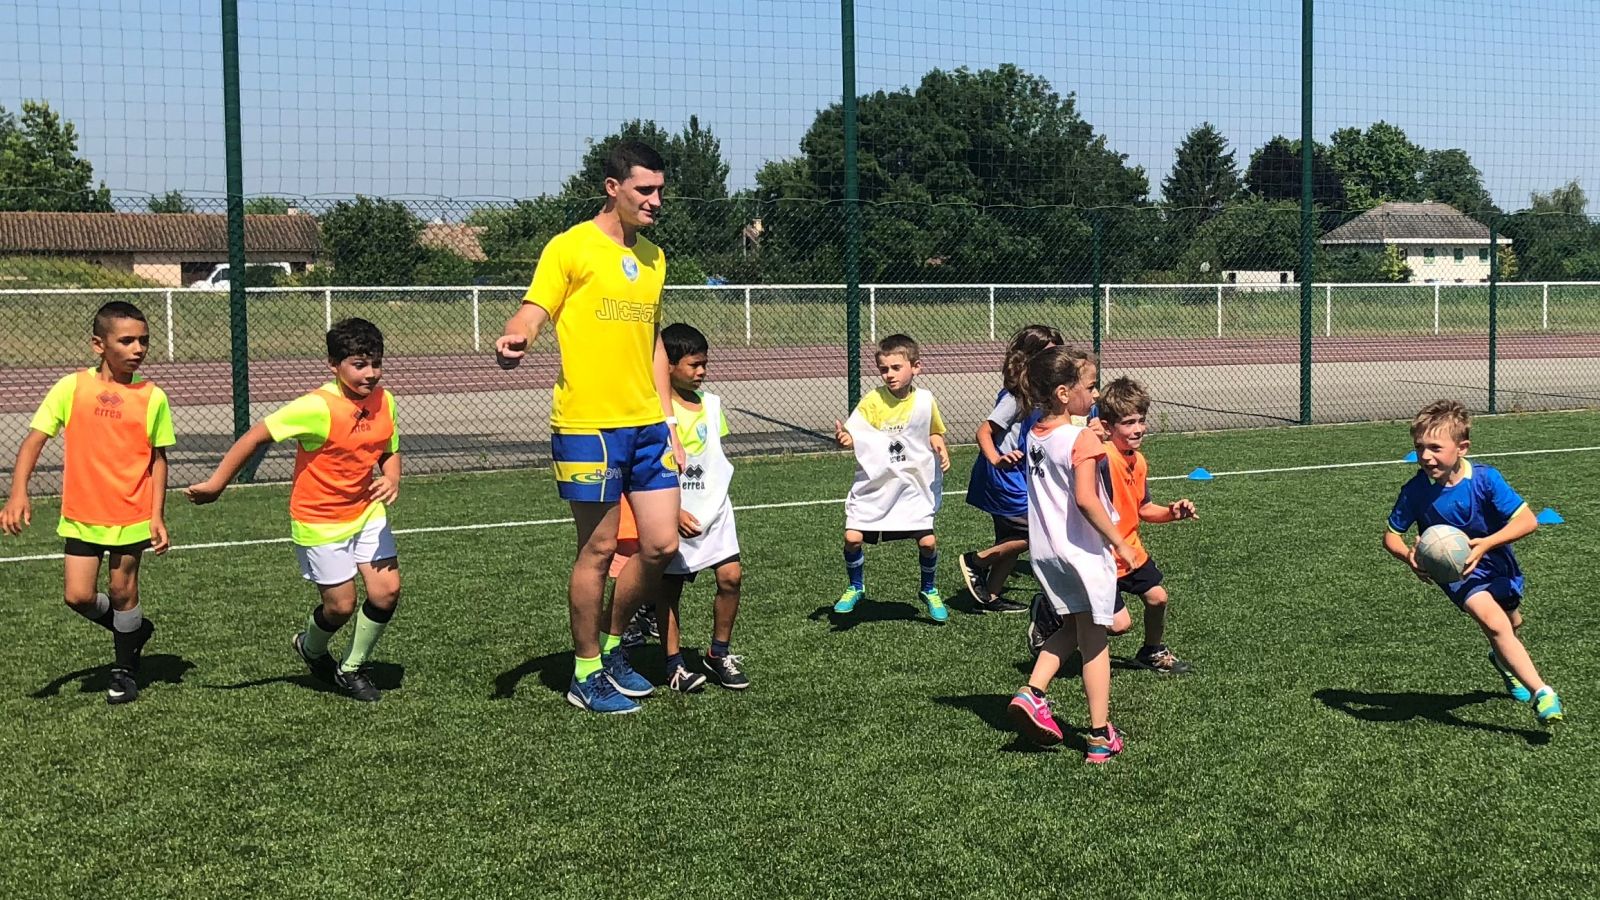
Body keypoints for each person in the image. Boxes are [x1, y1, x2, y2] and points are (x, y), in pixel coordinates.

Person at [495, 140, 684, 715]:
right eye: (643, 190)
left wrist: (667, 413)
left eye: (659, 191)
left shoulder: (654, 257)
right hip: (587, 425)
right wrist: (519, 334)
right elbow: (535, 308)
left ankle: (608, 647)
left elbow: (651, 338)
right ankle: (583, 674)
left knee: (660, 545)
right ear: (612, 188)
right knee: (599, 549)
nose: (655, 201)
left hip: (649, 424)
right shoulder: (569, 246)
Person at [186, 318, 401, 703]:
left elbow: (389, 448)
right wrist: (217, 483)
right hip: (319, 519)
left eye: (376, 364)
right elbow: (255, 436)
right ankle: (310, 648)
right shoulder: (315, 407)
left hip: (367, 511)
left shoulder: (384, 400)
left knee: (386, 593)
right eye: (359, 364)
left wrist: (392, 476)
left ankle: (351, 669)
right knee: (341, 607)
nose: (370, 374)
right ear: (334, 365)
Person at [1, 301, 172, 704]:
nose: (138, 349)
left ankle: (125, 669)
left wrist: (156, 515)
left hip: (131, 512)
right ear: (99, 344)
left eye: (143, 341)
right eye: (126, 340)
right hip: (81, 514)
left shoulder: (153, 397)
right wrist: (18, 491)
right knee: (77, 596)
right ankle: (132, 630)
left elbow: (158, 459)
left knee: (121, 588)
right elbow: (34, 441)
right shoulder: (71, 387)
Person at [1383, 399, 1563, 724]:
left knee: (1512, 624)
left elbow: (1528, 521)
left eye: (1435, 447)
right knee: (1494, 623)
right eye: (1419, 447)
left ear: (1462, 447)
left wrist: (1487, 544)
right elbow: (1391, 536)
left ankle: (1502, 660)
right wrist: (1408, 556)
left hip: (1495, 559)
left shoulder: (1485, 480)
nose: (1425, 456)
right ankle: (1542, 693)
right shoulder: (1414, 491)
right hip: (1454, 572)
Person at [1006, 347, 1138, 763]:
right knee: (1095, 640)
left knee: (1081, 625)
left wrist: (1089, 437)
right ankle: (1100, 735)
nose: (1096, 395)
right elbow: (1085, 499)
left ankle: (1032, 693)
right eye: (1090, 386)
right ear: (1064, 393)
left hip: (1047, 554)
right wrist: (1119, 542)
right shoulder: (1080, 438)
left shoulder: (1036, 434)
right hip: (1082, 553)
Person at [833, 334, 951, 622]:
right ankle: (856, 586)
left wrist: (940, 444)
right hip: (878, 484)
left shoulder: (925, 400)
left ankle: (928, 589)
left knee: (927, 542)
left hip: (913, 484)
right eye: (884, 369)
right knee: (852, 537)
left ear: (916, 367)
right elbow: (853, 431)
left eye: (896, 368)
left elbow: (934, 430)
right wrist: (844, 438)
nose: (889, 375)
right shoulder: (873, 400)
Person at [655, 323, 748, 692]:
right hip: (674, 513)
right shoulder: (655, 410)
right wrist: (672, 512)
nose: (702, 372)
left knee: (731, 578)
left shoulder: (711, 405)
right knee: (669, 589)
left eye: (704, 364)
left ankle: (718, 652)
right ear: (668, 366)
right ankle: (674, 664)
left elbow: (712, 458)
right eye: (694, 365)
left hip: (716, 512)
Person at [1094, 376, 1196, 674]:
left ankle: (1152, 650)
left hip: (1130, 551)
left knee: (1158, 597)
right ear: (1108, 426)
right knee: (1118, 625)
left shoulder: (1138, 461)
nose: (1137, 429)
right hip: (1103, 556)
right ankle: (1055, 615)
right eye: (1128, 422)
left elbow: (1143, 508)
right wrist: (1091, 435)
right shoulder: (1102, 457)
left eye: (1141, 420)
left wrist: (1171, 513)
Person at [958, 324, 1063, 613]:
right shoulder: (1016, 396)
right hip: (1002, 476)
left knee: (1009, 538)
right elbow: (983, 431)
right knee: (1033, 534)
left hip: (1018, 475)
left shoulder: (1042, 392)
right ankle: (975, 562)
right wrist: (995, 459)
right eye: (1048, 355)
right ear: (1029, 359)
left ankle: (990, 595)